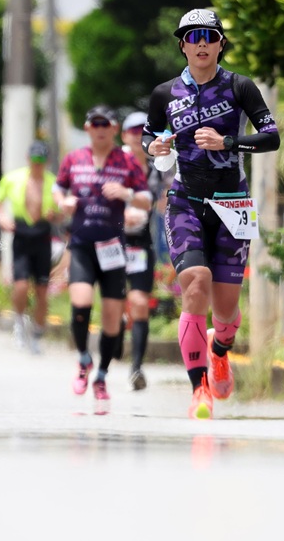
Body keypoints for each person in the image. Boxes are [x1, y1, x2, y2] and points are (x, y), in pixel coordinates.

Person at [143, 9, 281, 419]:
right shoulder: (164, 94)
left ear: (220, 43)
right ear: (182, 45)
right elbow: (151, 136)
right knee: (195, 283)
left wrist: (229, 142)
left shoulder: (240, 86)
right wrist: (155, 148)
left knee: (224, 310)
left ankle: (221, 348)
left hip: (232, 202)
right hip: (185, 199)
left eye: (209, 35)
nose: (201, 43)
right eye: (192, 36)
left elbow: (271, 138)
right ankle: (199, 388)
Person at [54, 104, 152, 414]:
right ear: (87, 129)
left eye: (105, 124)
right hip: (82, 245)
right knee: (81, 303)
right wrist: (64, 201)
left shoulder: (126, 162)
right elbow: (58, 188)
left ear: (113, 129)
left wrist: (125, 195)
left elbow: (146, 198)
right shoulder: (74, 158)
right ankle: (84, 357)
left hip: (112, 248)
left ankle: (102, 375)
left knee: (112, 318)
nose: (99, 129)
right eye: (94, 123)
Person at [118, 110, 172, 391]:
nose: (139, 136)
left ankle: (136, 368)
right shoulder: (113, 164)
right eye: (134, 131)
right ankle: (115, 335)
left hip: (140, 244)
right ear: (125, 135)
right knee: (114, 305)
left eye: (144, 131)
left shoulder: (157, 167)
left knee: (139, 304)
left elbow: (156, 199)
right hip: (111, 243)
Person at [0, 140, 61, 354]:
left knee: (42, 291)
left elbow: (63, 210)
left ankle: (38, 332)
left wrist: (56, 215)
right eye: (34, 160)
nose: (37, 164)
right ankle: (19, 321)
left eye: (41, 161)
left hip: (42, 234)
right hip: (21, 234)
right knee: (20, 286)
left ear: (47, 162)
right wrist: (2, 218)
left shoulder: (53, 182)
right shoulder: (13, 178)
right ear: (28, 159)